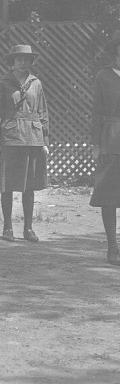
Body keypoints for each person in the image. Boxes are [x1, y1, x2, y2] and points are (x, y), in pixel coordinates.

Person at [0, 44, 49, 243]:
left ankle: (28, 228)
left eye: (26, 59)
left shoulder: (37, 83)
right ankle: (7, 227)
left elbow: (43, 113)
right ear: (12, 61)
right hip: (10, 138)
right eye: (19, 59)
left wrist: (45, 140)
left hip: (32, 139)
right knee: (7, 184)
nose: (23, 63)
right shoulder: (3, 83)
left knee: (29, 186)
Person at [90, 31, 120, 265]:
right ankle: (112, 248)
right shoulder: (104, 76)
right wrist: (96, 144)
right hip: (111, 139)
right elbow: (97, 111)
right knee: (110, 196)